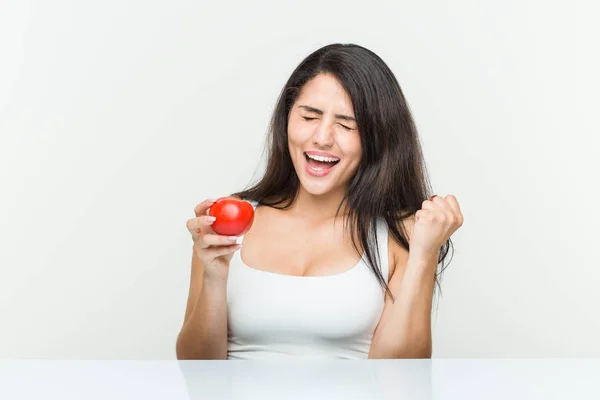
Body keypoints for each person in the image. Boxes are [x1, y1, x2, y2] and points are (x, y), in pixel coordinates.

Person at [176, 43, 464, 360]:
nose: (323, 137)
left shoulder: (402, 234)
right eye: (310, 116)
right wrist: (214, 278)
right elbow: (195, 369)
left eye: (346, 124)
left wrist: (424, 254)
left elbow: (400, 378)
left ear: (377, 138)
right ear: (287, 118)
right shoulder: (227, 221)